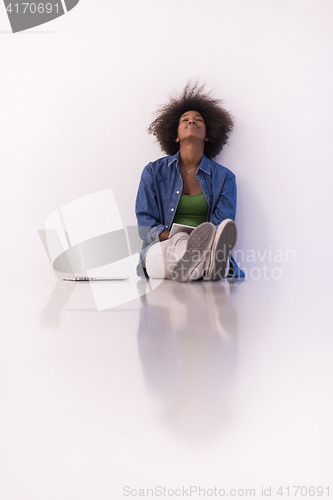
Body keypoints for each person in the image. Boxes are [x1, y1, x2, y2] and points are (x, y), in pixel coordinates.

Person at [135, 82, 245, 282]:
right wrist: (180, 238)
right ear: (175, 136)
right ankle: (207, 264)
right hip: (163, 248)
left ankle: (194, 264)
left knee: (198, 251)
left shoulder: (224, 178)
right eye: (185, 119)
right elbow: (145, 225)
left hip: (205, 245)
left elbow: (222, 226)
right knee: (179, 245)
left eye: (198, 120)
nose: (191, 122)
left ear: (208, 135)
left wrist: (204, 240)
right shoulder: (153, 172)